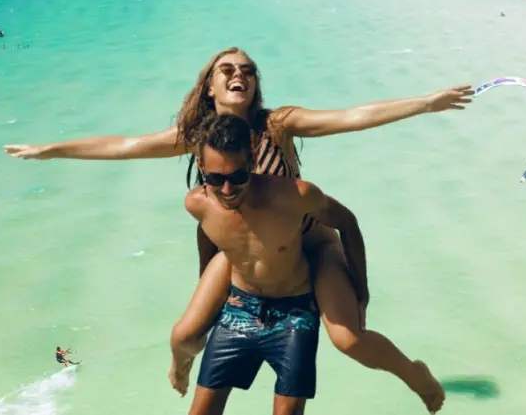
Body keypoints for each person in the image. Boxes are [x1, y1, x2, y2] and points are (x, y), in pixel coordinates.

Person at [4, 47, 470, 412]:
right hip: (245, 251)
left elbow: (351, 116)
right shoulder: (197, 139)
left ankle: (416, 376)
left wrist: (426, 103)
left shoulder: (279, 124)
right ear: (209, 86)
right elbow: (125, 146)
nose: (237, 75)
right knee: (184, 334)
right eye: (226, 69)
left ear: (254, 84)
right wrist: (52, 150)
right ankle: (182, 369)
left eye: (246, 69)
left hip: (309, 243)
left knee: (348, 339)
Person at [180, 113, 443, 415]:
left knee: (344, 346)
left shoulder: (295, 196)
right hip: (241, 308)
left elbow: (347, 221)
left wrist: (361, 291)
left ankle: (416, 377)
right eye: (215, 179)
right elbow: (208, 235)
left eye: (237, 176)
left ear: (252, 161)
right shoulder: (197, 204)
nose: (227, 190)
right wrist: (206, 284)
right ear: (202, 167)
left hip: (295, 313)